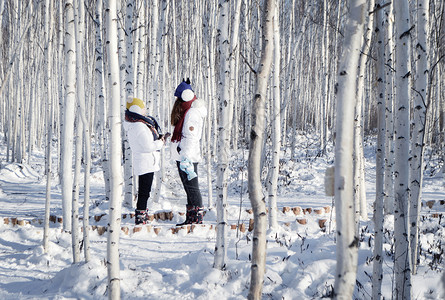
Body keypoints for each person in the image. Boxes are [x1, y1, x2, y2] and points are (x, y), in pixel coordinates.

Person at [123, 97, 168, 225]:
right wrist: (160, 142)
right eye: (143, 108)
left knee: (145, 191)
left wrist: (159, 139)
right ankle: (141, 216)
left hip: (147, 162)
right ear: (136, 109)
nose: (145, 110)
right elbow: (147, 146)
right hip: (145, 162)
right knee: (144, 191)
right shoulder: (139, 126)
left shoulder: (139, 124)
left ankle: (142, 213)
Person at [170, 79, 207, 226]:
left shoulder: (191, 113)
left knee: (192, 187)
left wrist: (185, 155)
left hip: (187, 157)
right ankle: (191, 217)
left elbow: (191, 137)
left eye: (179, 98)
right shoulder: (189, 112)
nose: (177, 101)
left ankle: (196, 218)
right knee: (189, 188)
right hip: (184, 155)